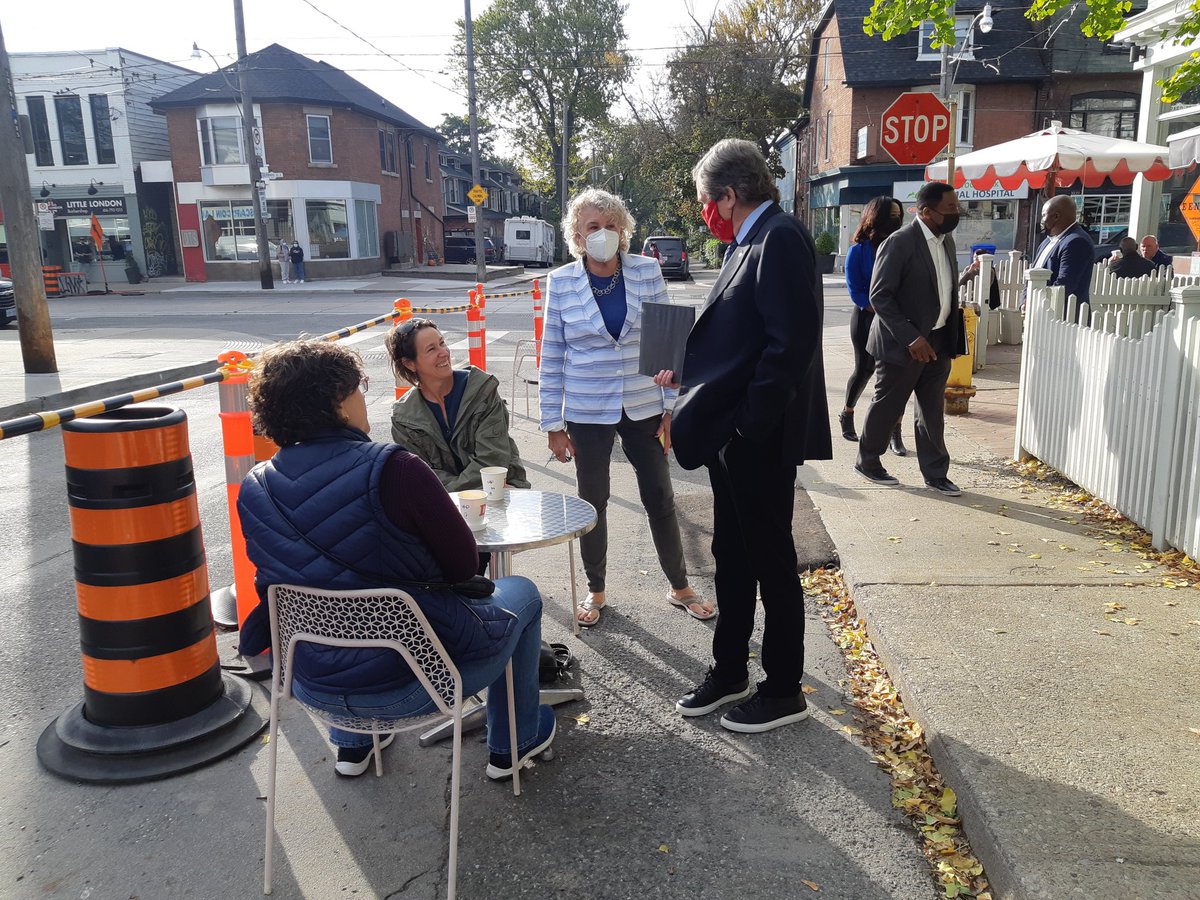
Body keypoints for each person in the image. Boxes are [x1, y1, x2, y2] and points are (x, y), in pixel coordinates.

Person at [236, 340, 555, 780]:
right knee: (523, 594)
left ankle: (352, 745)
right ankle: (512, 744)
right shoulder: (395, 468)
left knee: (326, 588)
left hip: (309, 685)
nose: (364, 401)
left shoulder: (255, 484)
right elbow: (463, 566)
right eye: (358, 390)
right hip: (417, 681)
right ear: (338, 403)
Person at [655, 138, 831, 734]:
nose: (706, 212)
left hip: (757, 438)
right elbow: (740, 338)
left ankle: (783, 689)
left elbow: (790, 348)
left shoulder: (777, 237)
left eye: (709, 200)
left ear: (730, 194)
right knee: (733, 558)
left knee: (771, 562)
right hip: (734, 440)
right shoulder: (747, 241)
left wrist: (745, 426)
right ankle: (728, 669)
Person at [539, 187, 712, 627]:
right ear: (578, 235)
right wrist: (552, 423)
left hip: (643, 405)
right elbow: (553, 354)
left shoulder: (647, 271)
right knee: (592, 501)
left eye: (611, 226)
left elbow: (668, 343)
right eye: (593, 227)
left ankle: (680, 585)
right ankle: (596, 590)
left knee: (660, 496)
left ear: (624, 231)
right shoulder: (560, 282)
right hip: (586, 409)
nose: (603, 234)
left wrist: (670, 407)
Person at [855, 181, 965, 497]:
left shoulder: (946, 241)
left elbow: (944, 289)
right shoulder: (900, 242)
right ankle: (868, 461)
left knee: (931, 411)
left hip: (939, 341)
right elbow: (880, 296)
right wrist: (910, 338)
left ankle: (935, 472)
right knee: (887, 406)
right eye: (950, 208)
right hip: (902, 344)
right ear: (926, 212)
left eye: (956, 206)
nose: (956, 212)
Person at [387, 317, 530, 492]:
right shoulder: (403, 418)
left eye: (442, 343)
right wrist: (460, 493)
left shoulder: (482, 391)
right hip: (445, 504)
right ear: (409, 363)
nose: (443, 352)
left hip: (498, 491)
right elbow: (418, 475)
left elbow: (492, 463)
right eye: (431, 349)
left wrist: (446, 491)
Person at [841, 195, 907, 456]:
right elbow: (856, 291)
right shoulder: (859, 251)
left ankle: (895, 431)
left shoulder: (902, 246)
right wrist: (880, 308)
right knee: (864, 369)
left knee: (897, 376)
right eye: (891, 215)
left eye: (898, 215)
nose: (897, 220)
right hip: (867, 316)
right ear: (875, 216)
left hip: (898, 321)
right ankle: (847, 412)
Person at [1031, 195, 1094, 309]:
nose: (1042, 220)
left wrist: (1037, 303)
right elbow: (1032, 276)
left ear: (1056, 216)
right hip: (1040, 311)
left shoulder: (1077, 241)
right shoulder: (1046, 242)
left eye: (1044, 215)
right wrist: (1025, 301)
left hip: (1063, 317)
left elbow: (1064, 284)